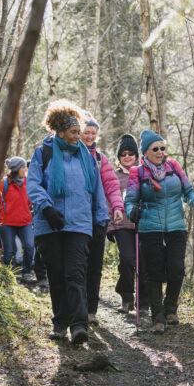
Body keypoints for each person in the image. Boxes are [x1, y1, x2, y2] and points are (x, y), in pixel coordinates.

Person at [27, 99, 109, 345]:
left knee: (75, 273)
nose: (78, 136)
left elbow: (96, 190)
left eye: (79, 132)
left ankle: (79, 325)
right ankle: (60, 322)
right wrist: (46, 207)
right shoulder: (44, 153)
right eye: (74, 132)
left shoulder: (87, 157)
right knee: (57, 275)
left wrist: (100, 218)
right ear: (60, 130)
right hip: (49, 224)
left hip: (79, 224)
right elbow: (33, 184)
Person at [125, 130, 194, 334]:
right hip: (150, 228)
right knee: (153, 272)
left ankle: (171, 308)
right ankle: (158, 317)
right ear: (145, 152)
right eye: (156, 148)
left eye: (163, 148)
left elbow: (188, 192)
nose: (160, 152)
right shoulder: (137, 173)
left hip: (176, 227)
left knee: (176, 268)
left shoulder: (174, 167)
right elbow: (129, 201)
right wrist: (132, 212)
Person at [80, 112, 124, 325]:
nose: (89, 136)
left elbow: (112, 186)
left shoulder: (100, 158)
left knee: (95, 266)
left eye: (93, 133)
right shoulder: (71, 155)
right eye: (86, 132)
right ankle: (78, 308)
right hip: (76, 220)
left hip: (98, 218)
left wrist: (116, 206)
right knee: (79, 265)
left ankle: (91, 311)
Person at [107, 134, 149, 315]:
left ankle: (144, 302)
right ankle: (126, 297)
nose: (127, 157)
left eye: (130, 153)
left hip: (143, 225)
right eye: (123, 154)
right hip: (122, 224)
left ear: (136, 155)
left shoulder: (144, 173)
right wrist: (109, 226)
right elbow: (109, 200)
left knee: (144, 263)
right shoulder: (114, 176)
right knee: (127, 261)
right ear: (119, 157)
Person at [0, 157, 36, 283]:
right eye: (23, 167)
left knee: (29, 246)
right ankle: (6, 275)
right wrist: (3, 213)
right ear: (17, 169)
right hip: (7, 223)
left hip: (25, 222)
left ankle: (26, 273)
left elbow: (31, 200)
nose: (25, 169)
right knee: (8, 251)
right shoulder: (4, 183)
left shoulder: (28, 182)